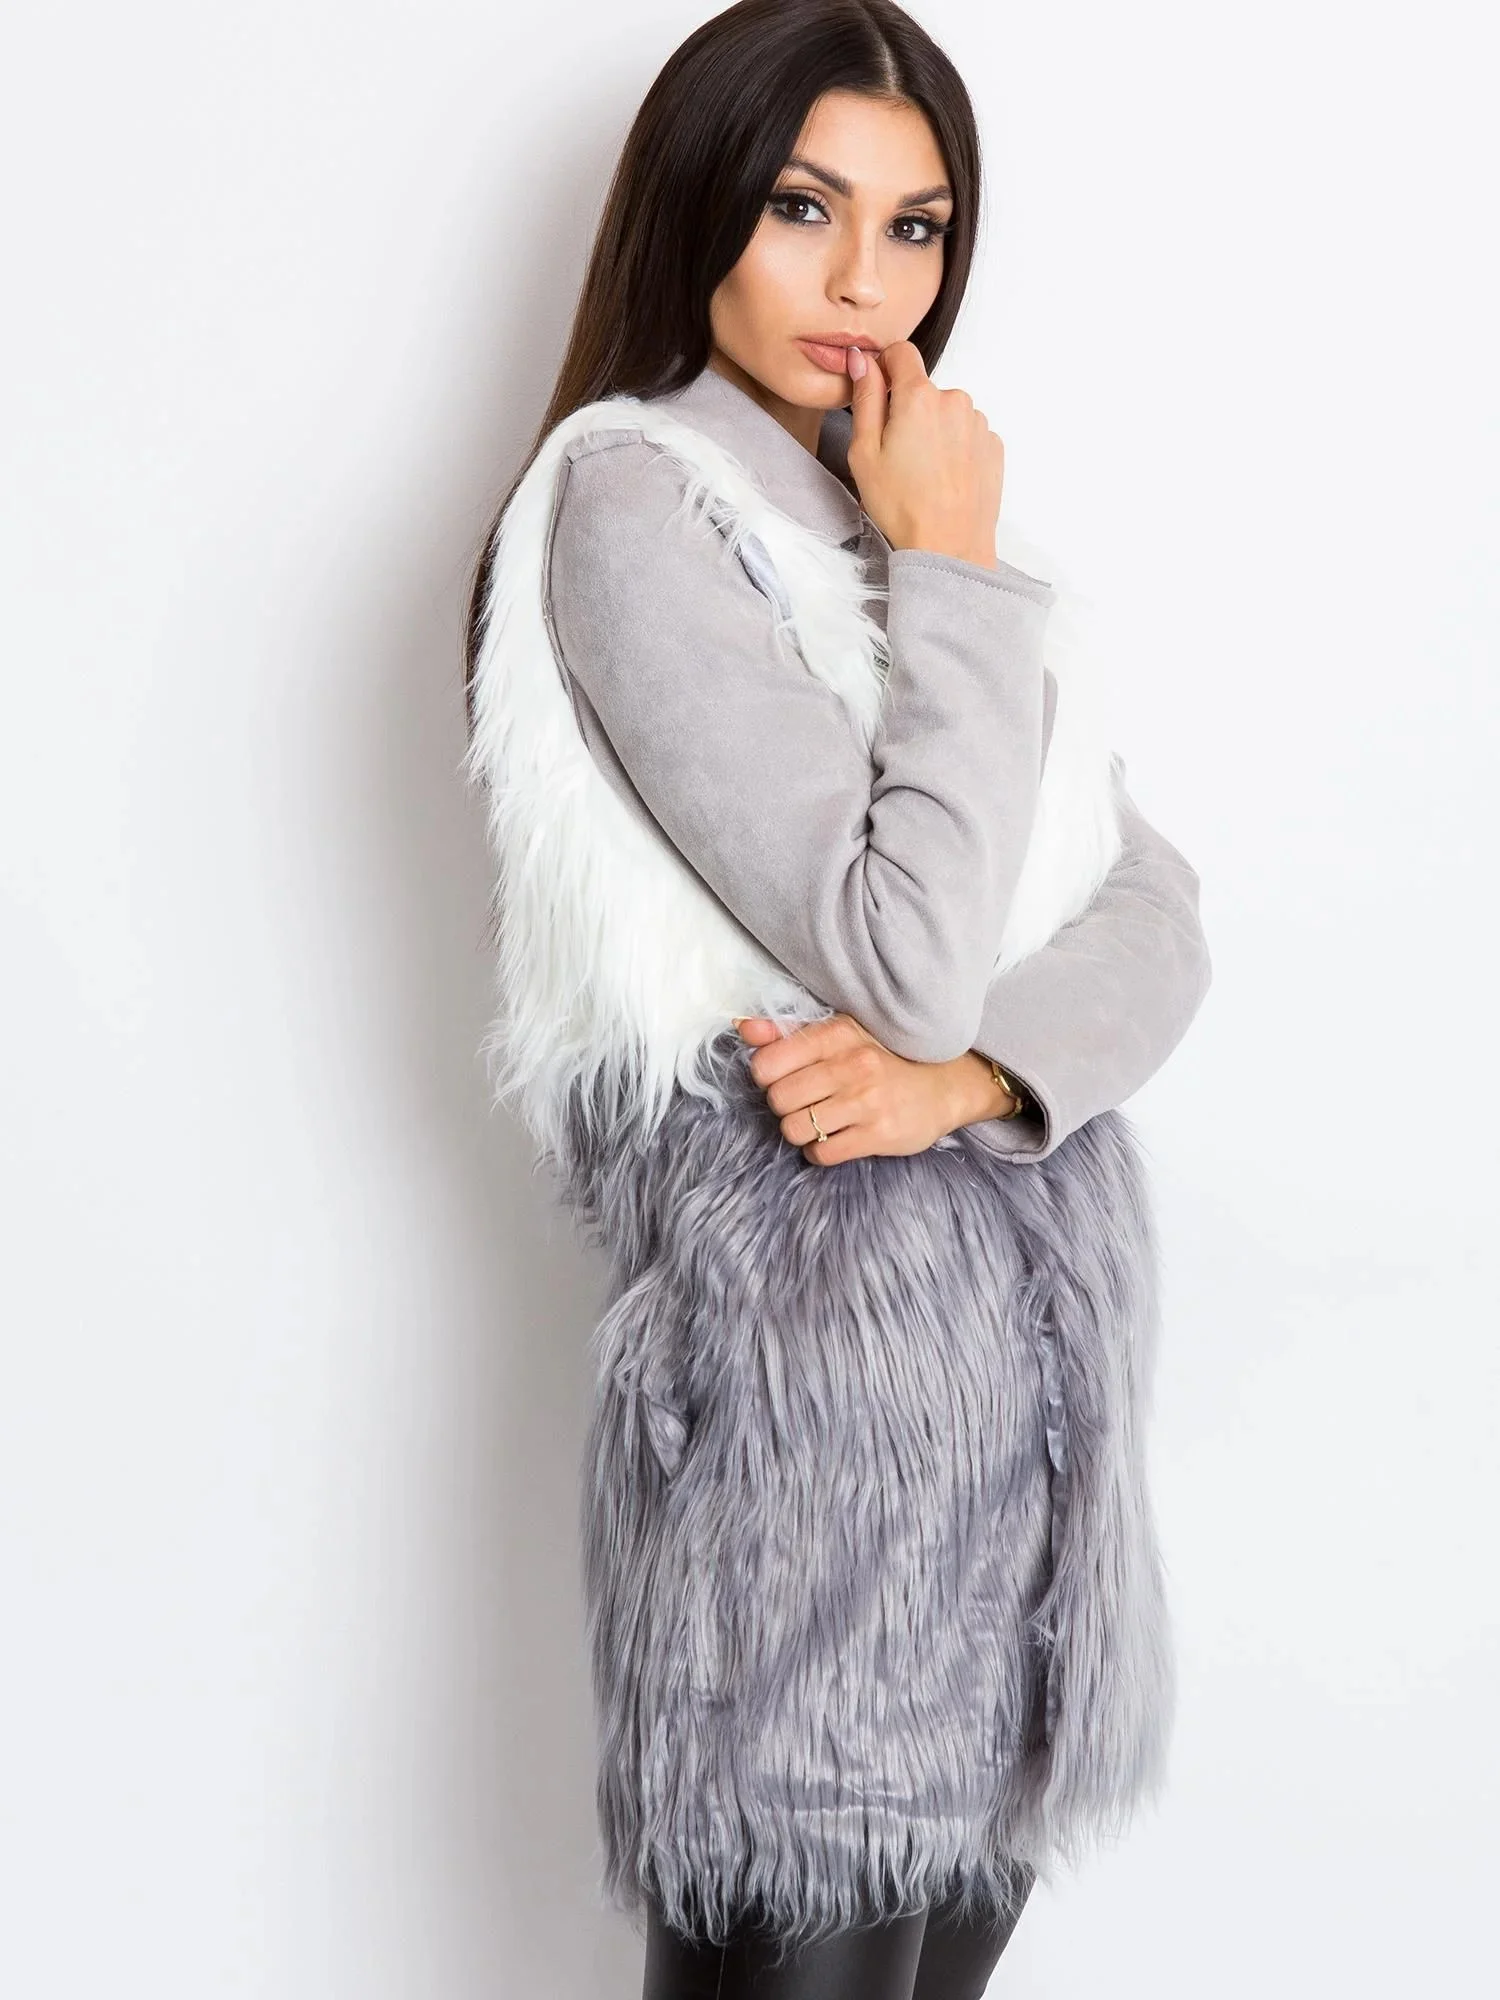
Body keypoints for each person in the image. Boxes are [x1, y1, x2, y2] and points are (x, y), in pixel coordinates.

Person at [463, 4, 1212, 1994]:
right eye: (805, 209)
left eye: (914, 225)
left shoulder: (909, 525)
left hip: (1019, 1459)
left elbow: (1158, 912)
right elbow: (902, 951)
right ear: (701, 200)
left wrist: (972, 1082)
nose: (866, 285)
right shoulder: (644, 504)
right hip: (819, 1446)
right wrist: (953, 576)